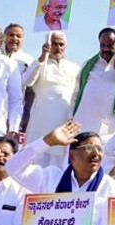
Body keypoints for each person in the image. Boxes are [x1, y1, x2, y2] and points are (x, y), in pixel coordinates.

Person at [72, 28, 115, 143]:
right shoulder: (88, 65)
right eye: (102, 45)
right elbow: (76, 94)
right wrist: (71, 117)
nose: (105, 49)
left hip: (111, 130)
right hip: (83, 127)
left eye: (110, 45)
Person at [22, 31, 80, 160]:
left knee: (61, 156)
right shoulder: (39, 63)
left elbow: (77, 94)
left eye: (61, 44)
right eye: (54, 44)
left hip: (64, 118)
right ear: (47, 44)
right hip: (41, 118)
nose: (58, 47)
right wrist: (42, 58)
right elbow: (27, 81)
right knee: (38, 154)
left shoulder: (74, 67)